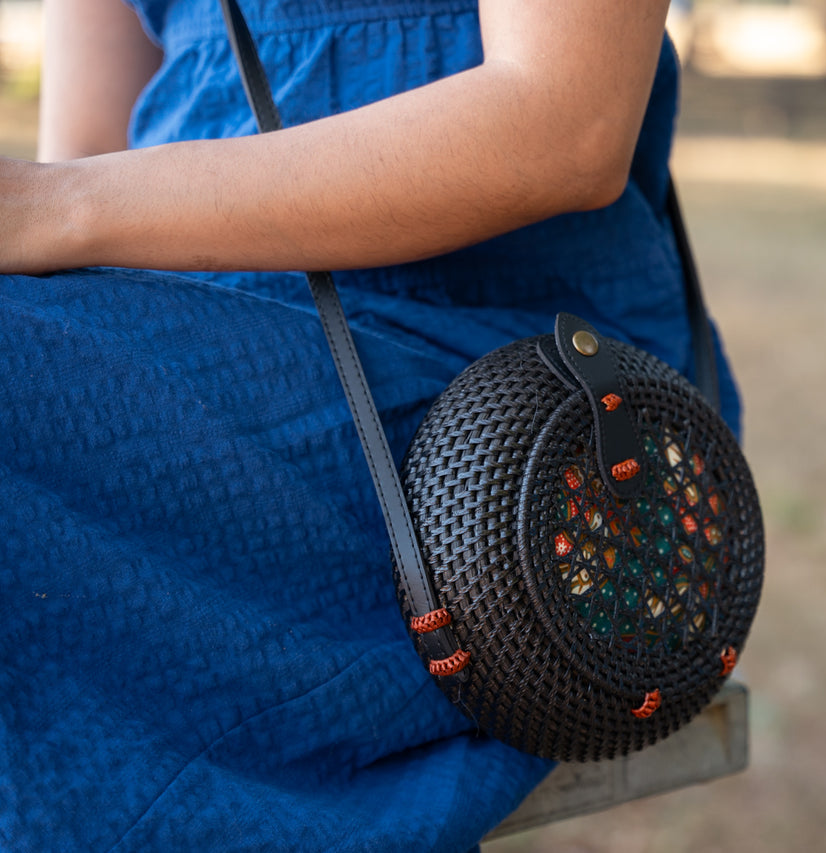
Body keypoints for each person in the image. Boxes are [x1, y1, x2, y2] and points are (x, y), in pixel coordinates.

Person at [0, 0, 741, 849]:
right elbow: (88, 146)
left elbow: (566, 123)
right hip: (193, 327)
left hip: (498, 386)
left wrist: (52, 202)